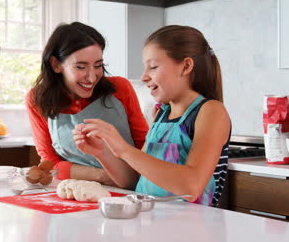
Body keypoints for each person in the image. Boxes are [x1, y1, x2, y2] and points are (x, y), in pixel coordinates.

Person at [73, 25, 231, 206]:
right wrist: (102, 152)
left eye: (153, 67)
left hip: (192, 228)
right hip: (152, 223)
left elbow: (191, 186)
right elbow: (135, 181)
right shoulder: (161, 114)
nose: (144, 77)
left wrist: (124, 149)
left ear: (186, 66)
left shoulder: (210, 111)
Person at [26, 22, 149, 186]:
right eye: (81, 67)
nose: (92, 78)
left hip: (132, 191)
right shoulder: (37, 100)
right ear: (56, 65)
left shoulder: (120, 88)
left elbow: (147, 148)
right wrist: (102, 176)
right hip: (80, 189)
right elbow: (50, 163)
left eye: (98, 65)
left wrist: (127, 178)